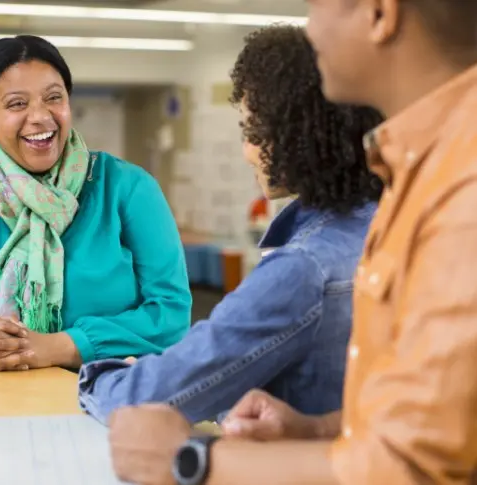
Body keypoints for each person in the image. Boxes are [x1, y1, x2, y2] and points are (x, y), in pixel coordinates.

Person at [107, 1, 477, 485]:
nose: (310, 24)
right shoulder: (415, 174)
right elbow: (439, 416)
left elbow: (412, 468)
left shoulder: (460, 193)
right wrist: (317, 428)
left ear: (380, 14)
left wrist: (193, 461)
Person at [78, 24, 382, 427]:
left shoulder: (302, 268)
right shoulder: (387, 227)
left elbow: (145, 401)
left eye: (251, 130)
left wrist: (104, 376)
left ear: (294, 136)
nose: (247, 151)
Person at [0, 35, 192, 372]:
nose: (41, 117)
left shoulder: (128, 188)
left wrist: (57, 347)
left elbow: (170, 313)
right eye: (16, 104)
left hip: (114, 395)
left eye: (54, 97)